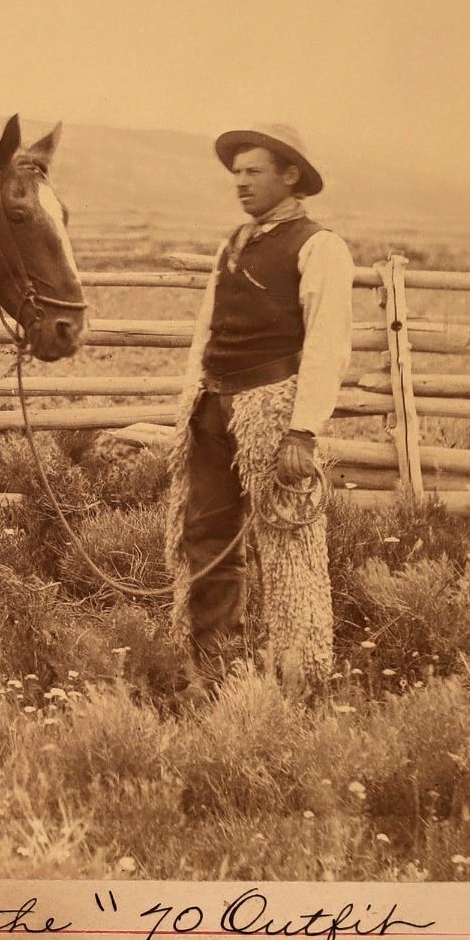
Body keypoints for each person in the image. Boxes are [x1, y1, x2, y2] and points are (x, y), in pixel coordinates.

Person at [164, 123, 354, 695]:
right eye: (237, 173)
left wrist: (303, 431)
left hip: (273, 415)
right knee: (205, 535)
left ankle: (300, 677)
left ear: (290, 175)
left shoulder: (320, 246)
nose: (241, 184)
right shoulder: (233, 244)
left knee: (287, 546)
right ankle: (214, 673)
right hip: (212, 410)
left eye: (254, 172)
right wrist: (192, 403)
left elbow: (327, 342)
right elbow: (206, 330)